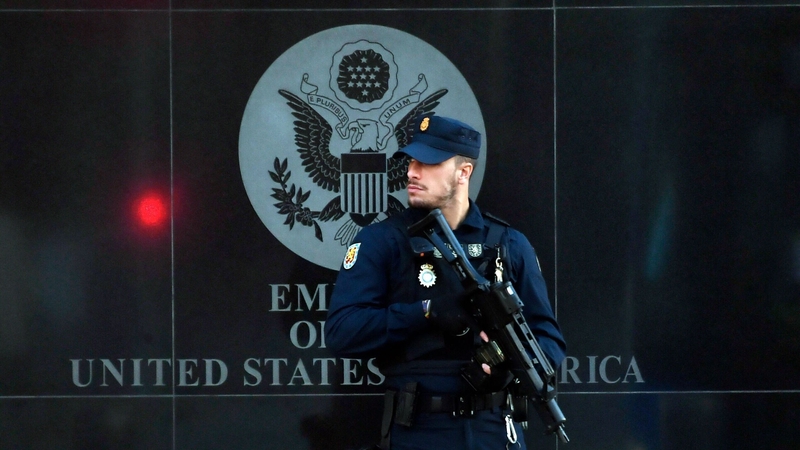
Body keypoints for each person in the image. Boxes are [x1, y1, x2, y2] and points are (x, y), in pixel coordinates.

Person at [325, 113, 566, 450]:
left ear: (463, 171)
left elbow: (548, 340)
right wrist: (426, 311)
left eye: (428, 162)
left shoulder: (508, 244)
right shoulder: (383, 241)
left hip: (494, 432)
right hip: (418, 430)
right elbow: (342, 332)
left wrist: (501, 366)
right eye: (411, 161)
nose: (411, 171)